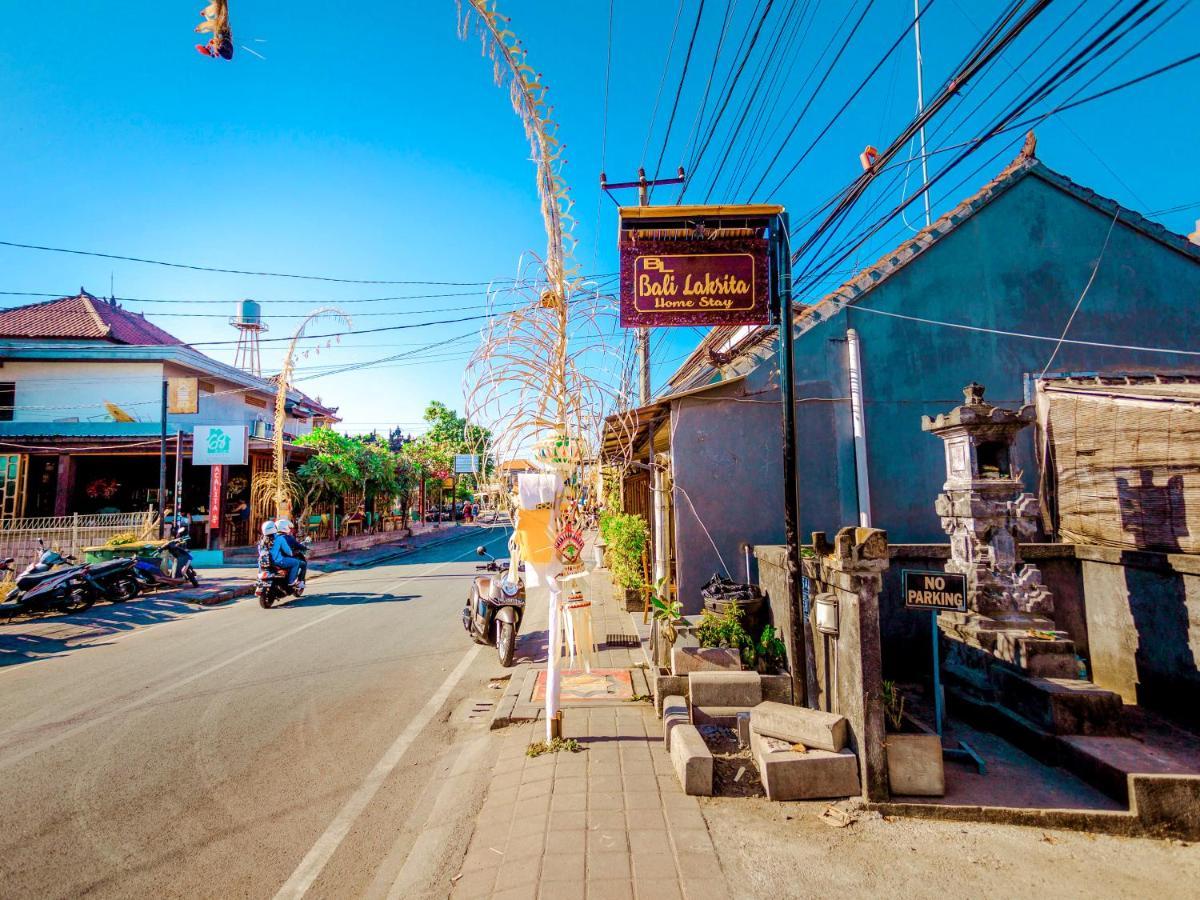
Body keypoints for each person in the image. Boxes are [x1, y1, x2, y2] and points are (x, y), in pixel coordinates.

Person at [273, 517, 306, 590]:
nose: (290, 529)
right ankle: (292, 581)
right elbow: (291, 548)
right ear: (285, 527)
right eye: (288, 527)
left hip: (271, 560)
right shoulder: (287, 537)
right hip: (282, 560)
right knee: (300, 563)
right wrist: (304, 548)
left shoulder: (272, 537)